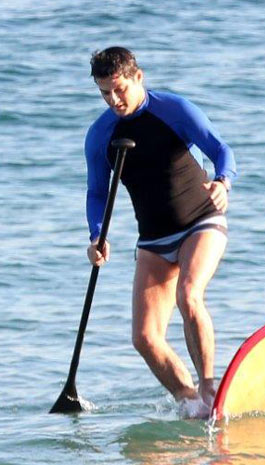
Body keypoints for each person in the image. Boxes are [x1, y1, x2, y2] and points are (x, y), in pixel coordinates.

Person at [84, 46, 236, 418]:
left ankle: (209, 388)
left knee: (189, 294)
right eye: (105, 93)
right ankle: (190, 402)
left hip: (202, 220)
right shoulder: (101, 135)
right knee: (145, 338)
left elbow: (221, 149)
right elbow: (97, 193)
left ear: (138, 78)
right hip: (153, 238)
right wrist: (96, 236)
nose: (114, 99)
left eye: (119, 89)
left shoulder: (174, 110)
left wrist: (222, 182)